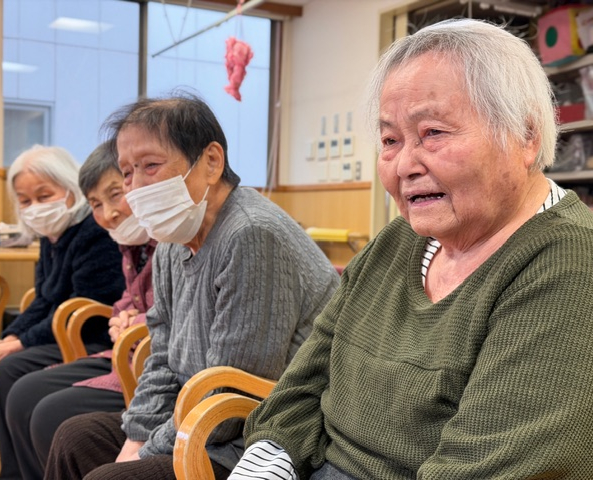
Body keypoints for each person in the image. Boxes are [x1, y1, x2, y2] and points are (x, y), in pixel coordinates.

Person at [229, 18, 593, 480]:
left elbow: (487, 468)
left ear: (525, 135)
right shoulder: (399, 241)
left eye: (433, 133)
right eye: (390, 140)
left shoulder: (569, 264)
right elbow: (301, 386)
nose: (404, 165)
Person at [44, 93, 341, 480]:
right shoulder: (172, 240)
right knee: (75, 438)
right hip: (195, 418)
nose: (135, 188)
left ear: (211, 162)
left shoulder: (252, 233)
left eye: (151, 166)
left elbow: (233, 398)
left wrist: (146, 452)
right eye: (128, 172)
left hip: (256, 438)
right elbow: (162, 356)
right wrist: (135, 439)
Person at [0, 145, 126, 480]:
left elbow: (82, 305)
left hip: (88, 337)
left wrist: (17, 345)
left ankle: (13, 474)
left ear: (70, 188)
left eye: (44, 196)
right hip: (59, 330)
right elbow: (44, 300)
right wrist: (6, 340)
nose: (34, 207)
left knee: (8, 366)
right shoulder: (51, 235)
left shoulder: (95, 230)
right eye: (25, 200)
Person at [3, 141, 157, 479]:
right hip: (124, 352)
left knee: (40, 404)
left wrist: (131, 321)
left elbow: (168, 313)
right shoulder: (127, 244)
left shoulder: (151, 237)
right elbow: (121, 299)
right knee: (17, 387)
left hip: (132, 356)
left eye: (116, 195)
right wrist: (9, 338)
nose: (109, 213)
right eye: (97, 203)